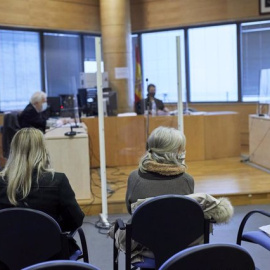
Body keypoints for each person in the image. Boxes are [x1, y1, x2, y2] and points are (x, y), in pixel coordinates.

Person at [0, 128, 85, 253]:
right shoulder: (57, 181)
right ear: (43, 150)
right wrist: (52, 226)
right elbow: (76, 221)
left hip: (8, 255)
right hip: (50, 254)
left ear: (13, 151)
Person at [125, 126, 194, 214]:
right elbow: (188, 211)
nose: (183, 151)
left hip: (144, 227)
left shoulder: (135, 177)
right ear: (171, 153)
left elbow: (131, 210)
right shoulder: (187, 180)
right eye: (180, 149)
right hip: (178, 227)